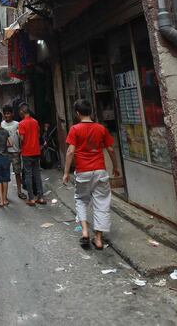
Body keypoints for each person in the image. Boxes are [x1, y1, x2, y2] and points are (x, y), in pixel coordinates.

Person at [62, 98, 120, 251]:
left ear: (77, 113)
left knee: (81, 200)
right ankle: (99, 239)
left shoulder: (75, 129)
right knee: (101, 203)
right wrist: (115, 167)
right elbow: (111, 150)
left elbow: (70, 151)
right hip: (100, 170)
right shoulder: (101, 128)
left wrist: (66, 172)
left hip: (83, 171)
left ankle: (85, 232)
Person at [18, 103, 45, 206]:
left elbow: (22, 139)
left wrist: (18, 134)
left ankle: (31, 198)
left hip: (27, 152)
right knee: (37, 174)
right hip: (36, 151)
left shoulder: (21, 124)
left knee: (28, 175)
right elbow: (38, 135)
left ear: (22, 112)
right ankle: (41, 197)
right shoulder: (35, 122)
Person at [1, 105, 26, 200]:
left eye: (8, 113)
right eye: (5, 114)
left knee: (17, 172)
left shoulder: (17, 124)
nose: (7, 115)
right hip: (5, 152)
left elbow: (21, 138)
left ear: (12, 114)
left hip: (16, 151)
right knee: (5, 173)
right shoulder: (2, 124)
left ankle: (19, 191)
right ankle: (4, 195)